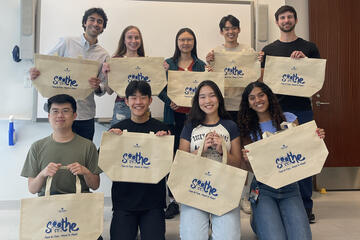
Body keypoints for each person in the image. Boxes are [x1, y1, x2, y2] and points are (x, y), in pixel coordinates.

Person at [238, 81, 325, 240]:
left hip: (290, 188)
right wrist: (247, 160)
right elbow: (250, 169)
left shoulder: (290, 119)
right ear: (248, 104)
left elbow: (303, 149)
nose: (258, 100)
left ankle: (266, 218)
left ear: (269, 96)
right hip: (263, 189)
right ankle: (258, 218)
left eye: (261, 95)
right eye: (252, 98)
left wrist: (315, 137)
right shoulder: (247, 128)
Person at [260, 5, 321, 223]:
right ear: (277, 22)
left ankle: (306, 207)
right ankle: (281, 203)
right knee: (281, 157)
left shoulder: (309, 47)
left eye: (289, 17)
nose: (286, 20)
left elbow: (316, 80)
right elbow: (262, 81)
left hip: (303, 109)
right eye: (282, 17)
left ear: (295, 19)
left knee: (304, 158)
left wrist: (305, 62)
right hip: (276, 111)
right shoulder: (268, 50)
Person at [20, 94, 103, 239]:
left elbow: (95, 185)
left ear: (74, 115)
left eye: (65, 111)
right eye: (55, 111)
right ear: (49, 116)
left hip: (79, 208)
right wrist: (43, 174)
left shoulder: (87, 146)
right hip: (48, 212)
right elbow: (32, 189)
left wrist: (85, 172)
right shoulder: (37, 147)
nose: (60, 115)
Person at [29, 8, 110, 140]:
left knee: (83, 153)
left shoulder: (104, 55)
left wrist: (97, 86)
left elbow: (102, 89)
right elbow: (46, 65)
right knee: (62, 152)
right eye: (92, 19)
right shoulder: (67, 42)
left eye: (100, 22)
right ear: (84, 23)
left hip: (85, 114)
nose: (95, 23)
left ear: (102, 28)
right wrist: (35, 72)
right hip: (62, 113)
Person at [179, 80, 242, 240]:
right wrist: (200, 150)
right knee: (192, 236)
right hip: (195, 186)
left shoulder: (230, 125)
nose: (208, 101)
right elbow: (180, 161)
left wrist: (223, 151)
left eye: (212, 95)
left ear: (219, 98)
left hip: (224, 187)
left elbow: (238, 164)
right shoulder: (190, 126)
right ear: (197, 101)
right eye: (203, 97)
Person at [206, 14, 256, 214]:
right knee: (223, 152)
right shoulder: (215, 53)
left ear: (239, 30)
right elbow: (211, 78)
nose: (230, 31)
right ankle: (226, 193)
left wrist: (257, 61)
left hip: (244, 108)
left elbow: (254, 76)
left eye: (234, 27)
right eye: (226, 28)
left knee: (245, 154)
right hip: (224, 109)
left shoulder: (248, 51)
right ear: (221, 32)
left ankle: (245, 195)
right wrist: (208, 65)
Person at [108, 81, 171, 240]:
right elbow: (103, 164)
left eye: (143, 97)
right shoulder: (117, 131)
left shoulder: (162, 129)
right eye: (133, 98)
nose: (138, 102)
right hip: (123, 203)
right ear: (126, 101)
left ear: (150, 100)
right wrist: (111, 142)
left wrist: (166, 145)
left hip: (153, 203)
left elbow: (171, 167)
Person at [158, 27, 206, 219]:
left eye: (189, 40)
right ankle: (173, 201)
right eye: (182, 40)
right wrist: (169, 100)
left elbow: (207, 89)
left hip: (194, 119)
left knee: (195, 157)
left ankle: (193, 197)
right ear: (177, 43)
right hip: (173, 117)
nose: (185, 43)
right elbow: (159, 87)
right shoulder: (167, 64)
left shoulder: (201, 65)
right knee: (173, 159)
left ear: (194, 43)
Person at [102, 25, 145, 126]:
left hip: (141, 105)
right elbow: (109, 91)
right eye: (130, 37)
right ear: (124, 40)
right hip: (122, 105)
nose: (133, 41)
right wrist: (106, 75)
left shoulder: (145, 61)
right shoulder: (116, 61)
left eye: (137, 37)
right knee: (119, 139)